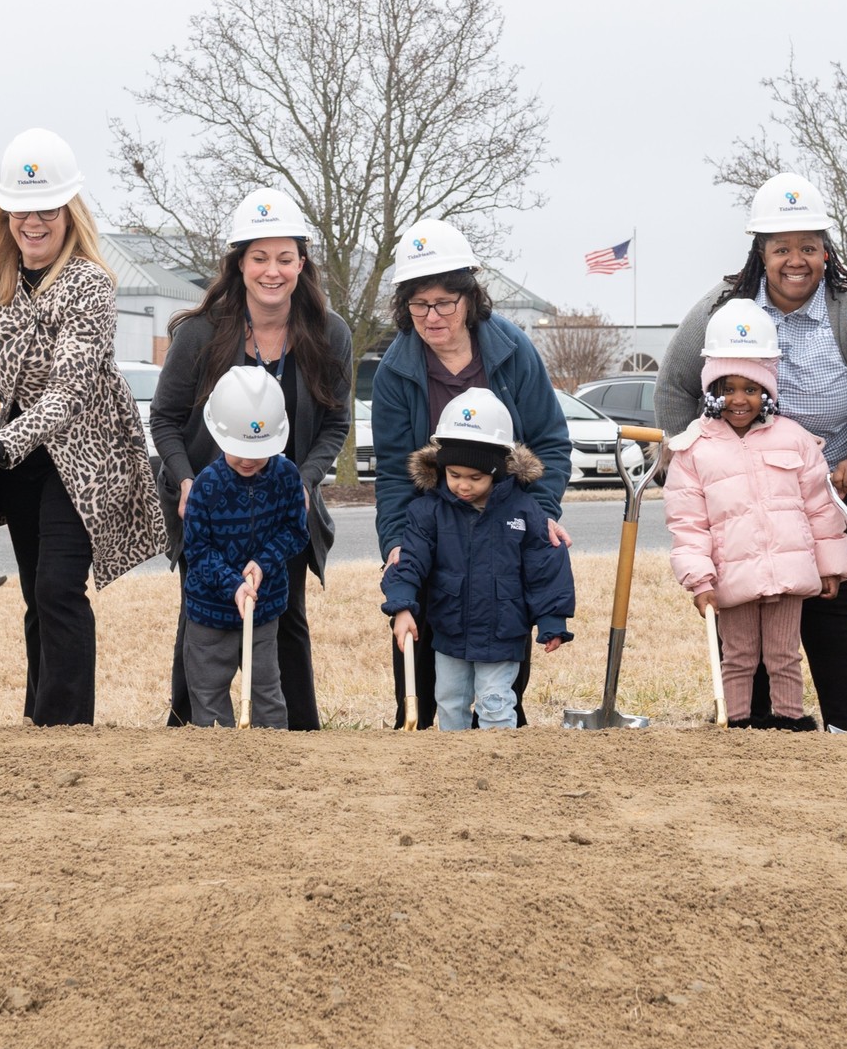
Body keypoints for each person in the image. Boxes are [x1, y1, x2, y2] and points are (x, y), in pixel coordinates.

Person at [653, 173, 847, 730]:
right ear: (760, 253)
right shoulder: (720, 311)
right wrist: (702, 461)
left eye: (808, 247)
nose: (795, 260)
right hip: (741, 500)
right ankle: (751, 730)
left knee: (831, 612)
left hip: (829, 493)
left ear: (826, 251)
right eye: (781, 248)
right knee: (747, 613)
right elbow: (673, 389)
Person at [0, 129, 164, 726]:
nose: (33, 221)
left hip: (81, 456)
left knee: (59, 589)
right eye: (21, 209)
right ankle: (37, 724)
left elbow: (67, 396)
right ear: (5, 213)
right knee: (34, 593)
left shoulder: (90, 285)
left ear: (69, 212)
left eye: (46, 209)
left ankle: (66, 731)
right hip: (16, 454)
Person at [150, 187, 352, 730]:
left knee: (283, 616)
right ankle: (190, 728)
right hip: (210, 502)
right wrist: (186, 479)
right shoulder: (198, 334)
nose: (272, 271)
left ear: (301, 263)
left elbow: (336, 423)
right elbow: (165, 419)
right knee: (203, 620)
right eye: (259, 257)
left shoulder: (330, 334)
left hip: (283, 504)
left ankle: (296, 733)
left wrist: (304, 483)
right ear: (239, 263)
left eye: (285, 258)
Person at [371, 218, 572, 729]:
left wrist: (542, 512)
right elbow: (395, 471)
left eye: (444, 302)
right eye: (419, 305)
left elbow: (548, 440)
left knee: (500, 679)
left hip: (502, 524)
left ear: (470, 297)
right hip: (433, 526)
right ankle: (416, 760)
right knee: (421, 674)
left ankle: (503, 767)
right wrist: (395, 541)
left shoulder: (512, 351)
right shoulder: (396, 370)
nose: (431, 316)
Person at [664, 301, 847, 730]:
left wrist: (830, 567)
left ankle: (788, 724)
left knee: (785, 655)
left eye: (750, 389)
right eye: (726, 388)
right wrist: (699, 579)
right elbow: (687, 524)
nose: (738, 399)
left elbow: (820, 508)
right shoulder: (694, 449)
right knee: (740, 656)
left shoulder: (797, 440)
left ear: (767, 391)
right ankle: (737, 723)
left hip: (788, 570)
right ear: (711, 392)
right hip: (732, 576)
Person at [382, 391, 574, 730]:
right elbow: (410, 560)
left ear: (497, 472)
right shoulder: (428, 511)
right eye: (454, 474)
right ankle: (455, 772)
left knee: (496, 703)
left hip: (504, 633)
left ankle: (497, 769)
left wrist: (552, 619)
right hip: (450, 630)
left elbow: (545, 568)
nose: (462, 486)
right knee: (450, 701)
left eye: (475, 477)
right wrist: (402, 607)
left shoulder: (524, 511)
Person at [178, 367, 310, 730]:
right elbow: (198, 551)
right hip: (209, 613)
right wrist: (232, 584)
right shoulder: (206, 487)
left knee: (266, 690)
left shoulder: (286, 477)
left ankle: (270, 759)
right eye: (240, 450)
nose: (249, 460)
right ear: (219, 435)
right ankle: (219, 763)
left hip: (264, 610)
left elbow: (296, 532)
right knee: (207, 693)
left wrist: (264, 562)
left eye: (260, 451)